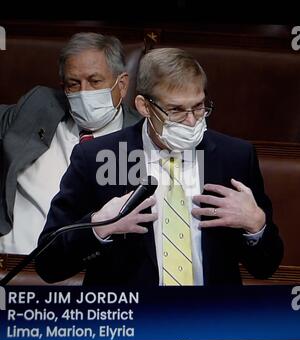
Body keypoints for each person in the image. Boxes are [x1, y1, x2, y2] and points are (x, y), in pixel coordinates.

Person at [35, 48, 283, 286]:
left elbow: (266, 267)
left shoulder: (235, 157)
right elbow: (48, 265)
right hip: (131, 321)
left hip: (212, 319)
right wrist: (100, 226)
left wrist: (256, 225)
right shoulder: (96, 158)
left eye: (198, 107)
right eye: (176, 110)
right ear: (144, 106)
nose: (191, 121)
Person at [0, 32, 141, 255]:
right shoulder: (38, 106)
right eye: (74, 84)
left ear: (122, 85)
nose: (84, 93)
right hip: (11, 263)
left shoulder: (142, 137)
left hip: (91, 270)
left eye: (95, 81)